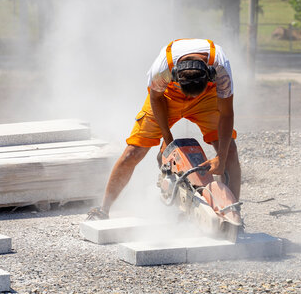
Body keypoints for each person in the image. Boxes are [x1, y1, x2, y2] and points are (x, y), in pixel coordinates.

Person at [87, 38, 241, 220]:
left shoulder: (221, 68)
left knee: (229, 150)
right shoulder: (162, 68)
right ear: (175, 74)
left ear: (210, 74)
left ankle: (232, 217)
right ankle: (103, 210)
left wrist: (221, 159)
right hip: (167, 97)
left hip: (206, 98)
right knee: (133, 153)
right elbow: (156, 98)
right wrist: (168, 141)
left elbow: (226, 114)